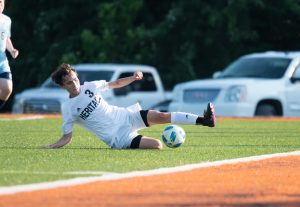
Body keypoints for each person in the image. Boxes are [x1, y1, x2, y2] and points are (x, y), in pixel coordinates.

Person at [40, 63, 216, 150]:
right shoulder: (68, 108)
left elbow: (115, 83)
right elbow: (66, 137)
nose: (75, 84)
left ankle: (205, 120)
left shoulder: (90, 87)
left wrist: (132, 78)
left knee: (161, 116)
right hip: (118, 138)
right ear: (63, 86)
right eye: (70, 83)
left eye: (76, 79)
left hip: (126, 116)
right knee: (157, 145)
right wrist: (48, 147)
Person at [0, 0, 19, 109]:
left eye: (1, 2)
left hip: (2, 59)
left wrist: (12, 50)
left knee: (7, 88)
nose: (0, 5)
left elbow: (6, 38)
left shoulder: (7, 20)